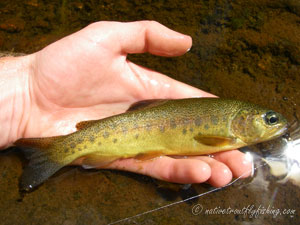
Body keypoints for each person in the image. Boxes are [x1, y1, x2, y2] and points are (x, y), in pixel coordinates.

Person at [0, 21, 252, 187]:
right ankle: (54, 152)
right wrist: (27, 87)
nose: (274, 124)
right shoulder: (229, 134)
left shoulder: (232, 127)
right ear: (242, 120)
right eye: (269, 120)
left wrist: (23, 91)